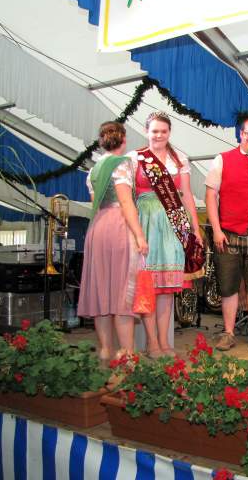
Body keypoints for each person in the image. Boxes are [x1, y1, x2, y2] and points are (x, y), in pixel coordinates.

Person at [130, 112, 202, 358]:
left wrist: (195, 228)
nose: (159, 135)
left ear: (169, 132)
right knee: (149, 285)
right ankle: (152, 343)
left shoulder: (179, 158)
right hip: (147, 222)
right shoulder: (136, 158)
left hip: (174, 223)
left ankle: (164, 341)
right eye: (155, 131)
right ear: (146, 131)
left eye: (163, 131)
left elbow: (187, 195)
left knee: (168, 287)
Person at [77, 121, 148, 362]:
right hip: (119, 226)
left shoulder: (94, 170)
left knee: (102, 290)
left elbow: (96, 203)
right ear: (123, 140)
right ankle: (127, 354)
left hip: (97, 228)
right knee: (122, 292)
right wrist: (139, 235)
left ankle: (105, 350)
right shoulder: (123, 163)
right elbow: (126, 202)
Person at [205, 117, 248, 353]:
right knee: (228, 285)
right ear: (241, 134)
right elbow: (210, 197)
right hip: (227, 233)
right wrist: (216, 230)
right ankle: (228, 333)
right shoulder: (222, 159)